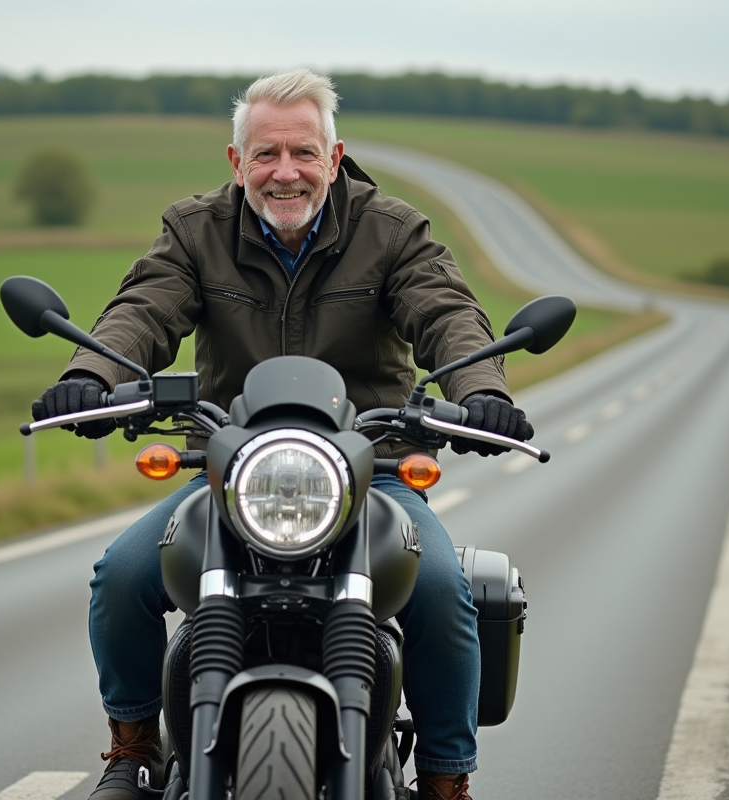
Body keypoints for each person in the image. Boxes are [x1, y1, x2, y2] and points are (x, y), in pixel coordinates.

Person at [31, 69, 533, 800]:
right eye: (266, 154)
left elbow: (446, 311)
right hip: (233, 473)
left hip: (370, 472)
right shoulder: (194, 230)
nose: (285, 172)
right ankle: (134, 747)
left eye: (303, 153)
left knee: (444, 590)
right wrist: (96, 376)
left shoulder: (392, 231)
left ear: (334, 158)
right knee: (121, 576)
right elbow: (143, 308)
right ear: (238, 164)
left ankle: (446, 781)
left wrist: (480, 392)